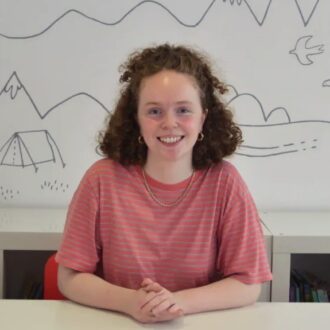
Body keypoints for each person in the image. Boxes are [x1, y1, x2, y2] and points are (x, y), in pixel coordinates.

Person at [56, 43, 272, 323]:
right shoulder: (101, 179)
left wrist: (175, 302)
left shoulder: (225, 182)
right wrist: (132, 302)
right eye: (154, 111)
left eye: (183, 110)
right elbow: (70, 276)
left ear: (203, 117)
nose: (170, 123)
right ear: (136, 118)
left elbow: (248, 283)